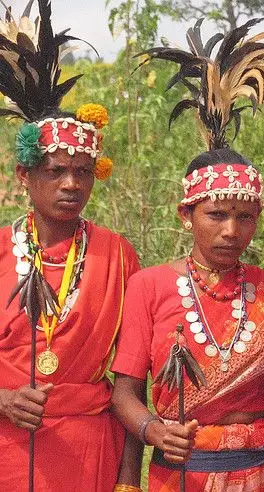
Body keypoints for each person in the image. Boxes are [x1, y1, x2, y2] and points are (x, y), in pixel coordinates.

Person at [110, 18, 264, 492]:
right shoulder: (149, 285)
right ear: (186, 215)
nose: (232, 231)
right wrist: (153, 430)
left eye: (245, 217)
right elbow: (125, 393)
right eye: (216, 215)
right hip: (181, 473)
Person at [0, 1, 141, 490]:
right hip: (8, 446)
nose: (70, 185)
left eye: (82, 172)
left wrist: (128, 479)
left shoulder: (118, 255)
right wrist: (2, 398)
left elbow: (132, 375)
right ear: (25, 175)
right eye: (55, 171)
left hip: (90, 450)